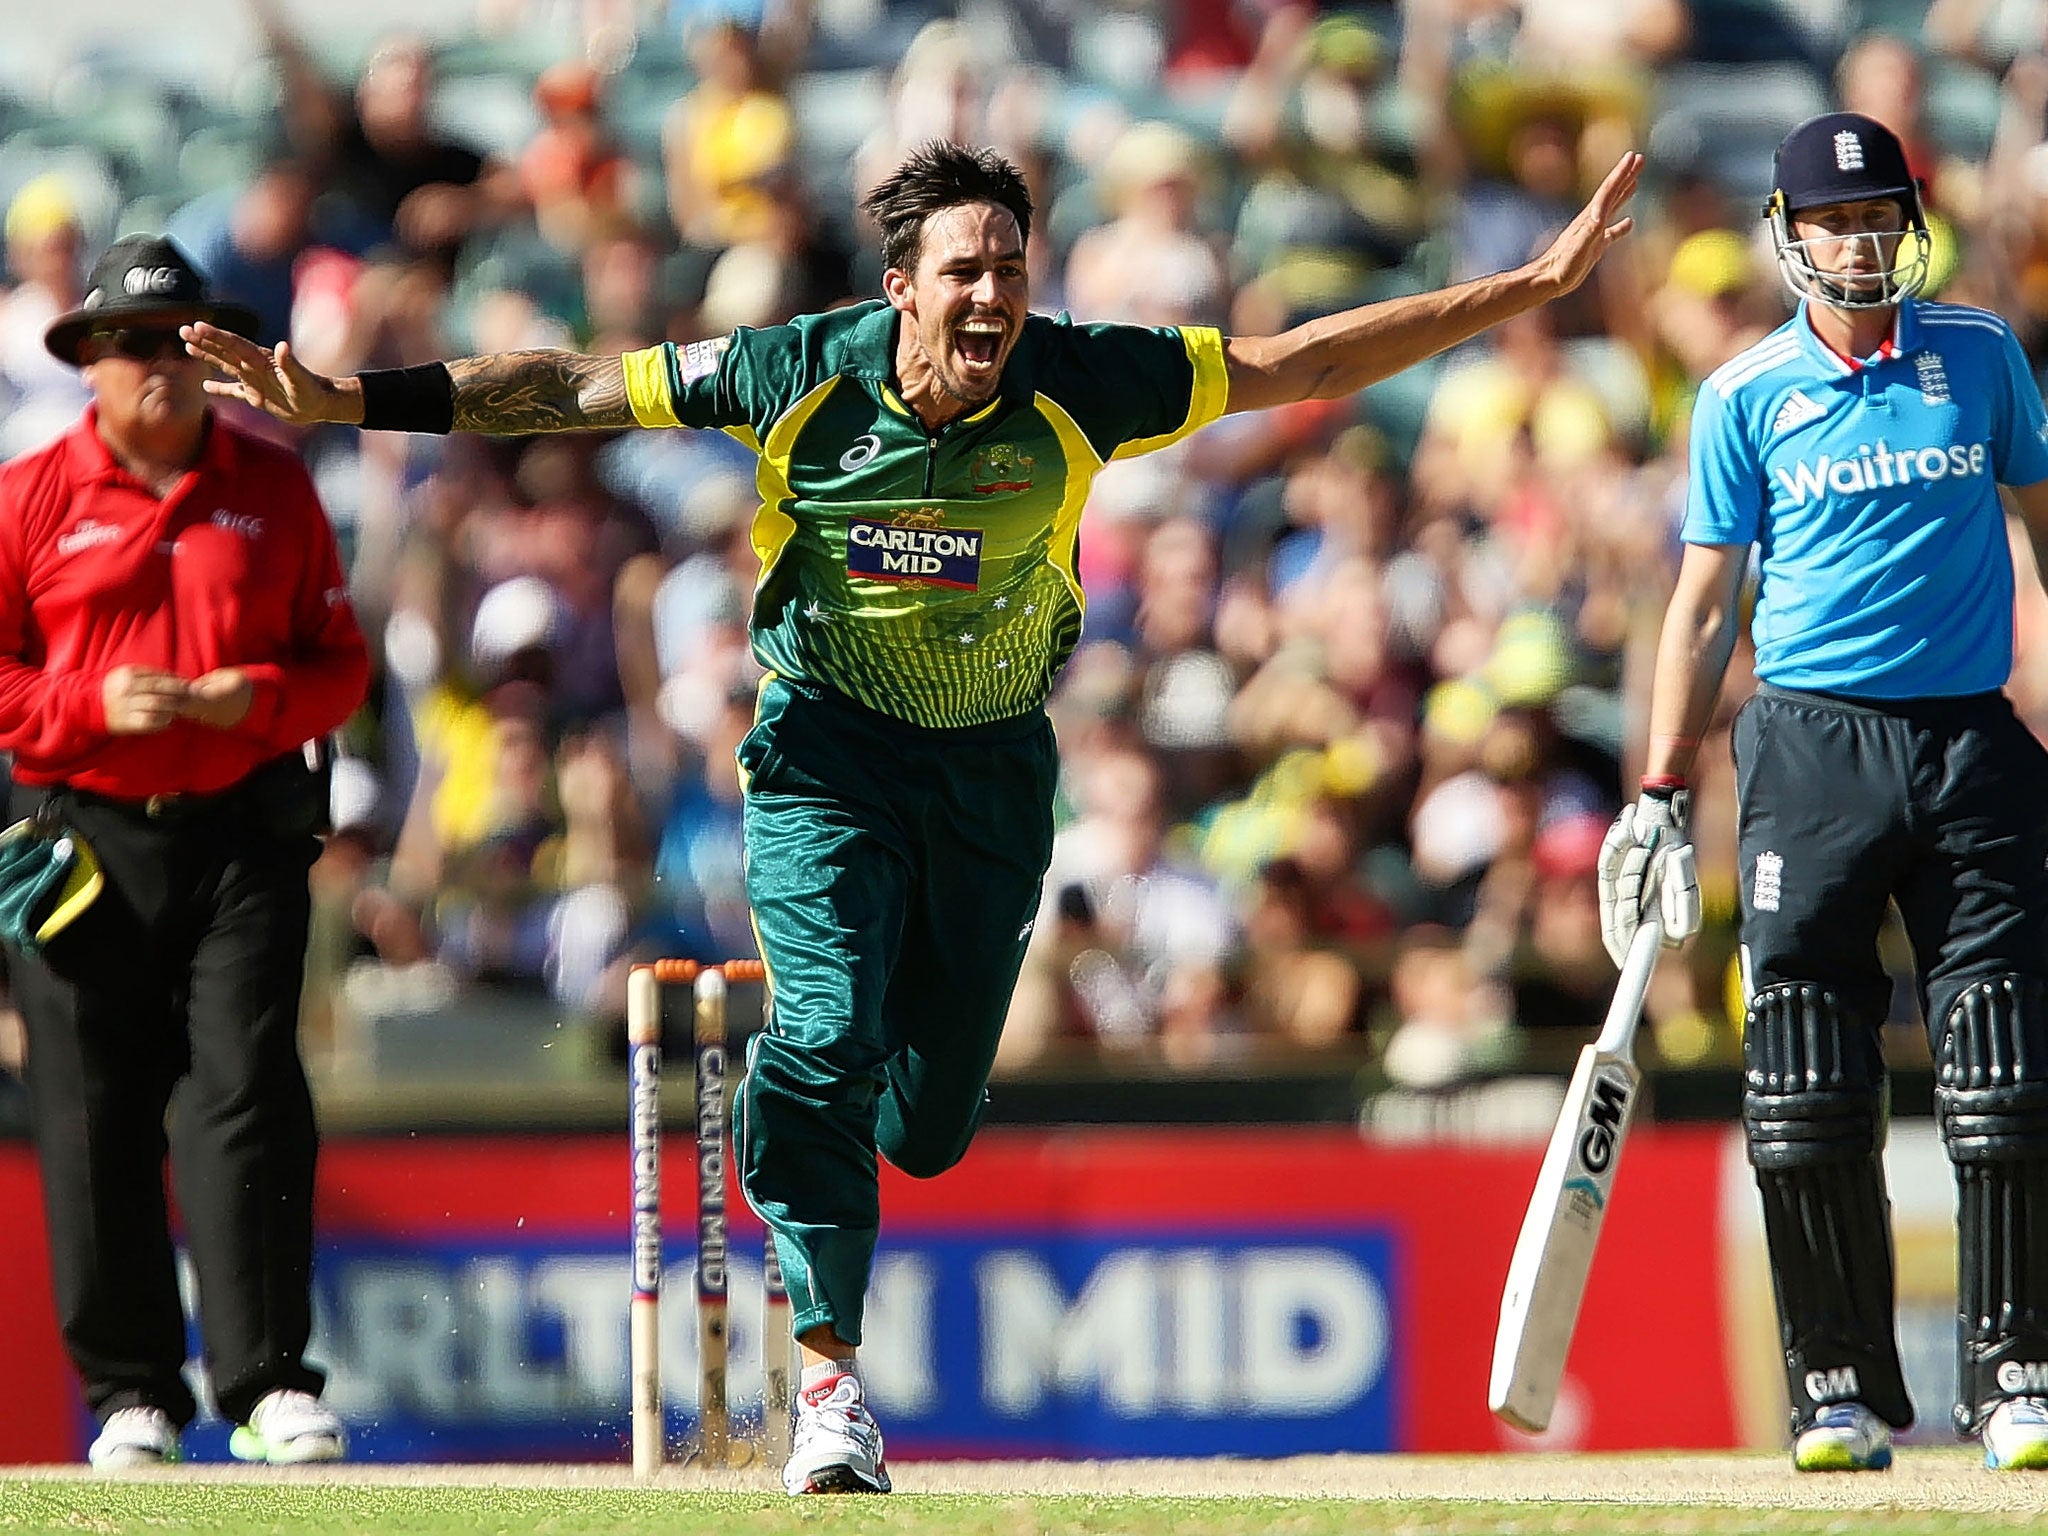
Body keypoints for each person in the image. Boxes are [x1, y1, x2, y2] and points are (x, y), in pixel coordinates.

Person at [186, 138, 1641, 1494]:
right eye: (966, 267)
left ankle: (812, 1123)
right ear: (902, 288)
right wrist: (343, 398)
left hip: (994, 773)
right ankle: (830, 1384)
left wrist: (1523, 288)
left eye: (1012, 265)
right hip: (823, 753)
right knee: (821, 1037)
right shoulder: (797, 373)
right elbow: (569, 386)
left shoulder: (1085, 380)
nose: (995, 290)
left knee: (931, 1126)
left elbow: (1298, 360)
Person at [1598, 112, 2048, 1474]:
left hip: (1972, 741)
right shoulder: (1744, 395)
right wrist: (1661, 791)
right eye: (1834, 219)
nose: (1861, 240)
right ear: (1788, 234)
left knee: (2010, 1068)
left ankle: (2018, 1373)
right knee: (1801, 1077)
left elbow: (2042, 538)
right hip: (1810, 749)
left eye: (1879, 215)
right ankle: (1836, 1389)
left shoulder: (1978, 358)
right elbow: (1696, 610)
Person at [0, 236, 370, 1467]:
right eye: (136, 345)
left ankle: (265, 1381)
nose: (161, 365)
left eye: (180, 344)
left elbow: (339, 667)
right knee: (92, 1107)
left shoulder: (273, 484)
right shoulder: (28, 497)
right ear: (92, 362)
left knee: (248, 1085)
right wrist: (92, 708)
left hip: (239, 832)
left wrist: (245, 701)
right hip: (82, 840)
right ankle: (129, 1394)